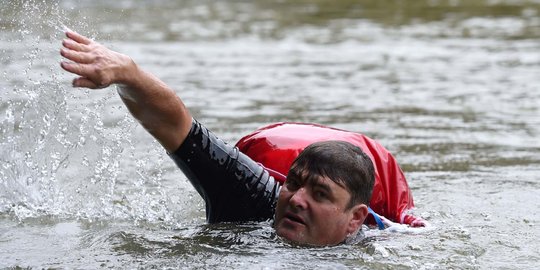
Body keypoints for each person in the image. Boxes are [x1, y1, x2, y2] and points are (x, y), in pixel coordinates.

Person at [60, 30, 416, 246]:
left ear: (355, 219)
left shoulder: (381, 248)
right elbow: (178, 128)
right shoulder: (254, 202)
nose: (296, 200)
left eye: (320, 194)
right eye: (294, 184)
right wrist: (128, 73)